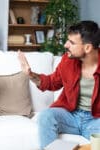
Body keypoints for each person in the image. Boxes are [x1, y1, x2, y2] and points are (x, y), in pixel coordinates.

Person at [18, 20, 100, 149]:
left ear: (88, 47)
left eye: (72, 43)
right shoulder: (68, 60)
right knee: (46, 116)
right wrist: (31, 75)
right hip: (70, 115)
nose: (66, 45)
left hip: (96, 120)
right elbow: (52, 82)